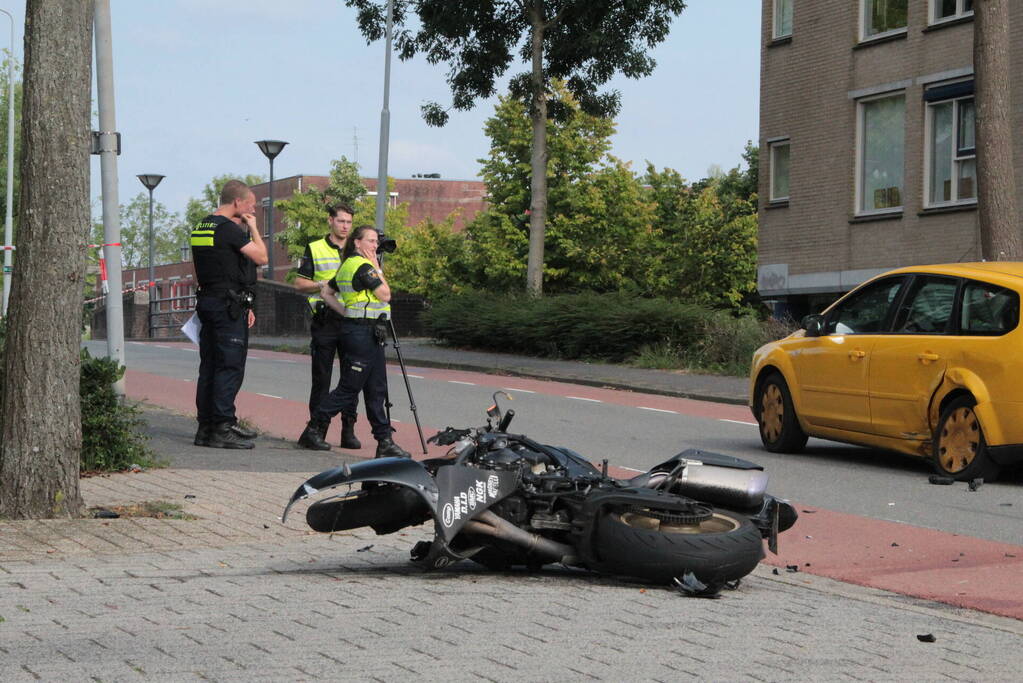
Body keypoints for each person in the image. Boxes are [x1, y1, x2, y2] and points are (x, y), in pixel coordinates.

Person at [297, 225, 410, 458]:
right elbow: (385, 295)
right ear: (357, 243)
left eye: (376, 242)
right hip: (362, 334)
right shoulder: (363, 266)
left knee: (376, 388)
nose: (375, 246)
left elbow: (327, 292)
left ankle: (384, 441)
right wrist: (377, 268)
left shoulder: (347, 264)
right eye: (371, 241)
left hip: (368, 332)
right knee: (349, 388)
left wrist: (345, 313)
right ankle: (313, 429)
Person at [190, 179, 268, 449]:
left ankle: (206, 427)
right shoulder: (228, 229)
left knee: (209, 366)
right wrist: (254, 228)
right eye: (251, 205)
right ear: (238, 202)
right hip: (227, 307)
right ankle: (223, 427)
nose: (253, 210)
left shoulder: (201, 227)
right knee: (229, 366)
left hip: (208, 301)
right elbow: (261, 257)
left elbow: (199, 270)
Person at [292, 204, 361, 450]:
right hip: (325, 320)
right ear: (330, 221)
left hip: (352, 319)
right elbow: (299, 284)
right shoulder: (315, 248)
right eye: (341, 221)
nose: (345, 226)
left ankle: (348, 431)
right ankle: (317, 431)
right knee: (322, 378)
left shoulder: (358, 249)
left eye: (349, 222)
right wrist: (323, 284)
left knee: (352, 377)